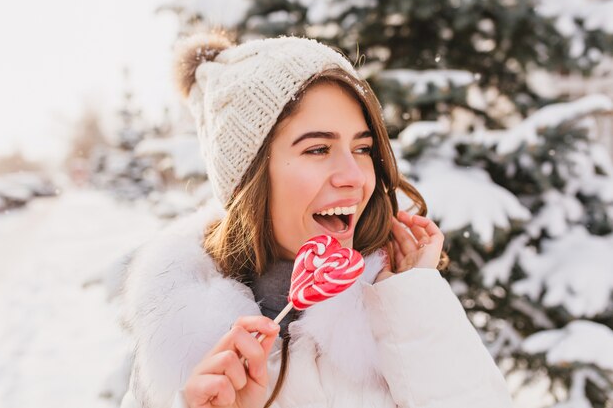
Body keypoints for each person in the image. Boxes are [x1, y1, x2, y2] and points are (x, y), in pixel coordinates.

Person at [119, 31, 513, 408]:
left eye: (362, 148)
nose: (355, 177)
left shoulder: (398, 306)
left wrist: (414, 301)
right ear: (249, 178)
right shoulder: (179, 346)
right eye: (318, 148)